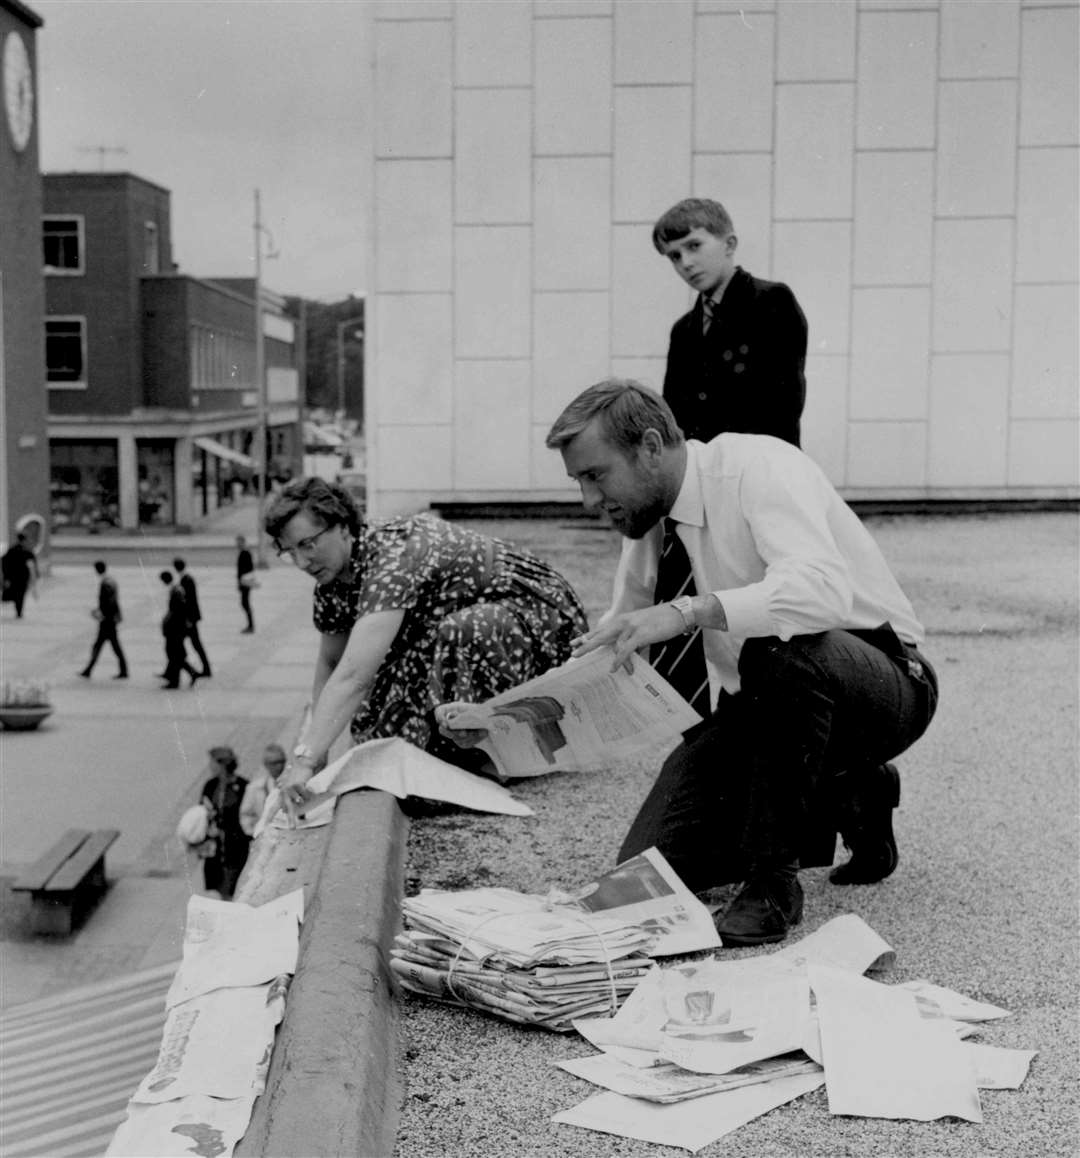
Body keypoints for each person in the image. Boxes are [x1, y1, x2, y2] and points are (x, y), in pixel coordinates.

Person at [536, 380, 937, 947]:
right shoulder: (650, 518)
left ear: (650, 447)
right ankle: (849, 788)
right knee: (641, 881)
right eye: (579, 481)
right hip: (761, 710)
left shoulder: (758, 466)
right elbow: (617, 638)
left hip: (884, 683)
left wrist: (687, 613)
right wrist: (511, 716)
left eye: (595, 475)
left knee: (780, 653)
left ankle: (774, 883)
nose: (589, 500)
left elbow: (822, 593)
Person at [261, 477, 588, 820]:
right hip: (457, 633)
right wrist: (315, 751)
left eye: (308, 544)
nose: (301, 562)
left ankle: (497, 759)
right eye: (289, 552)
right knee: (381, 725)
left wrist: (304, 760)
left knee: (464, 631)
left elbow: (355, 675)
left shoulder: (391, 556)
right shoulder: (331, 581)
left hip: (538, 626)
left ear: (342, 526)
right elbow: (331, 663)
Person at [653, 197, 807, 448]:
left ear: (729, 244)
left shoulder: (771, 302)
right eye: (675, 256)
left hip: (761, 465)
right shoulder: (683, 330)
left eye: (694, 246)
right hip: (703, 471)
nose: (686, 263)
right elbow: (675, 415)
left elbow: (782, 405)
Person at [199, 746, 251, 899]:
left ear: (222, 765)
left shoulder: (242, 786)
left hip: (235, 846)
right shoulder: (211, 785)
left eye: (213, 763)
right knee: (220, 885)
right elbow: (201, 810)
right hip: (215, 849)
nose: (210, 766)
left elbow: (247, 816)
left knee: (234, 885)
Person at [79, 560, 128, 679]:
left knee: (103, 645)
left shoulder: (105, 584)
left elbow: (108, 603)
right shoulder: (111, 581)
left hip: (107, 620)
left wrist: (100, 613)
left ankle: (89, 670)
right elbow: (114, 601)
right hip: (110, 619)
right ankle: (89, 669)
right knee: (107, 645)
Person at [159, 570, 201, 689]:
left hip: (175, 628)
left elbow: (177, 610)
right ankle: (191, 673)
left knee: (173, 653)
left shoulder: (176, 591)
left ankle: (175, 681)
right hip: (177, 627)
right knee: (176, 654)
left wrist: (167, 622)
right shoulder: (177, 589)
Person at [173, 557, 211, 678]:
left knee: (179, 644)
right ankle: (206, 668)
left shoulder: (186, 580)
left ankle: (205, 669)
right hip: (191, 618)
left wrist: (189, 619)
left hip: (189, 619)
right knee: (192, 644)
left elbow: (189, 601)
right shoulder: (187, 578)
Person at [239, 742, 288, 835]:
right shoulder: (255, 788)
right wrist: (254, 832)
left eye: (281, 761)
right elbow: (245, 814)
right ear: (266, 764)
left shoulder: (292, 783)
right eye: (274, 763)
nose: (279, 766)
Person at [1, 531, 38, 619]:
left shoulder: (11, 550)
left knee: (16, 594)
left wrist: (6, 576)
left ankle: (18, 611)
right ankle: (19, 612)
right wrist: (34, 579)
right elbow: (32, 566)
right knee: (20, 595)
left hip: (13, 578)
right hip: (23, 578)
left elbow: (4, 562)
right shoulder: (27, 552)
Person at [236, 535, 255, 633]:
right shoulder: (243, 552)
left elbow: (248, 568)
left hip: (245, 582)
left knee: (245, 603)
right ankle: (250, 625)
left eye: (238, 542)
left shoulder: (245, 553)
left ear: (243, 542)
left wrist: (244, 581)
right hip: (244, 582)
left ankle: (251, 626)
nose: (237, 544)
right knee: (245, 603)